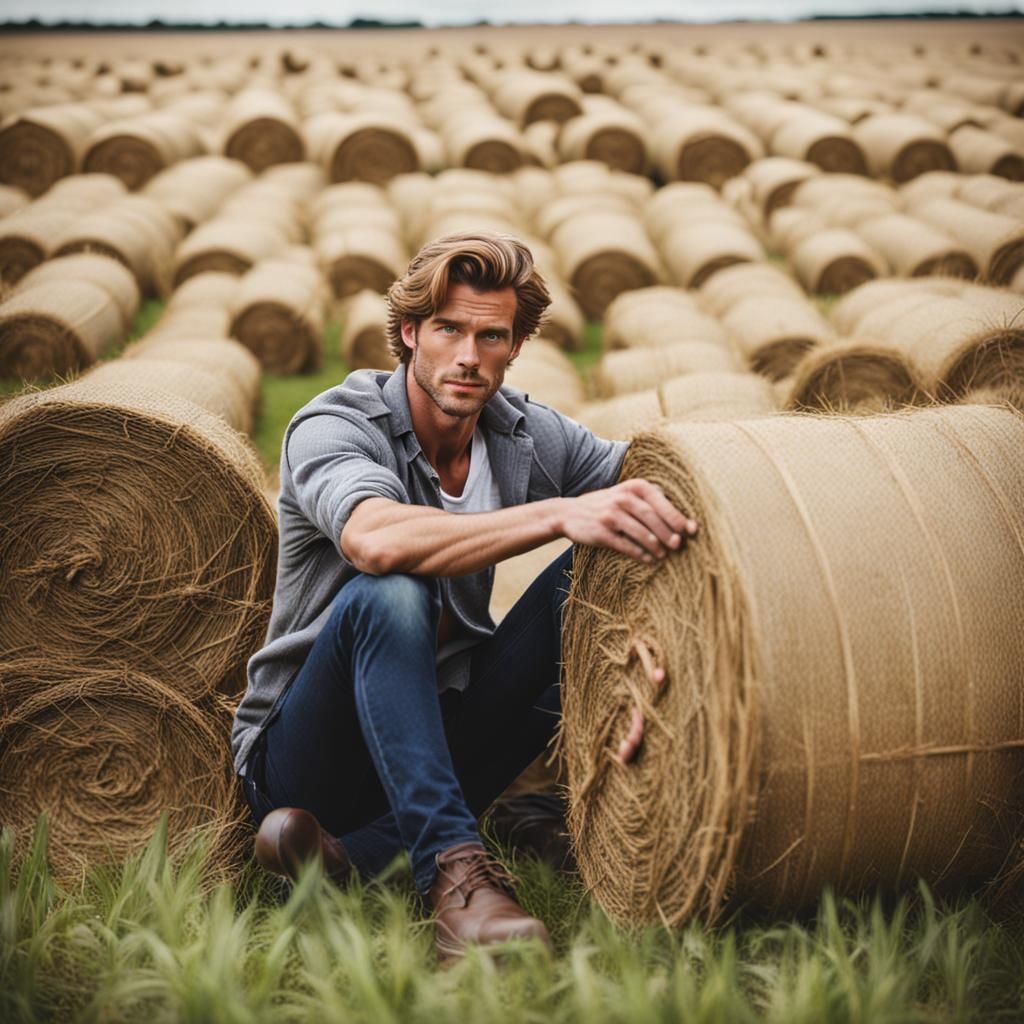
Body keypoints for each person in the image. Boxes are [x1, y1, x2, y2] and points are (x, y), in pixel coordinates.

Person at [230, 232, 696, 961]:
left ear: (515, 347)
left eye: (491, 335)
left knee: (589, 571)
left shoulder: (525, 433)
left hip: (439, 730)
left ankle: (346, 858)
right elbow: (374, 541)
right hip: (305, 758)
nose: (468, 355)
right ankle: (456, 877)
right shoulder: (337, 423)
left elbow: (659, 494)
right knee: (391, 591)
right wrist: (554, 513)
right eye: (448, 329)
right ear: (411, 332)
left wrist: (642, 668)